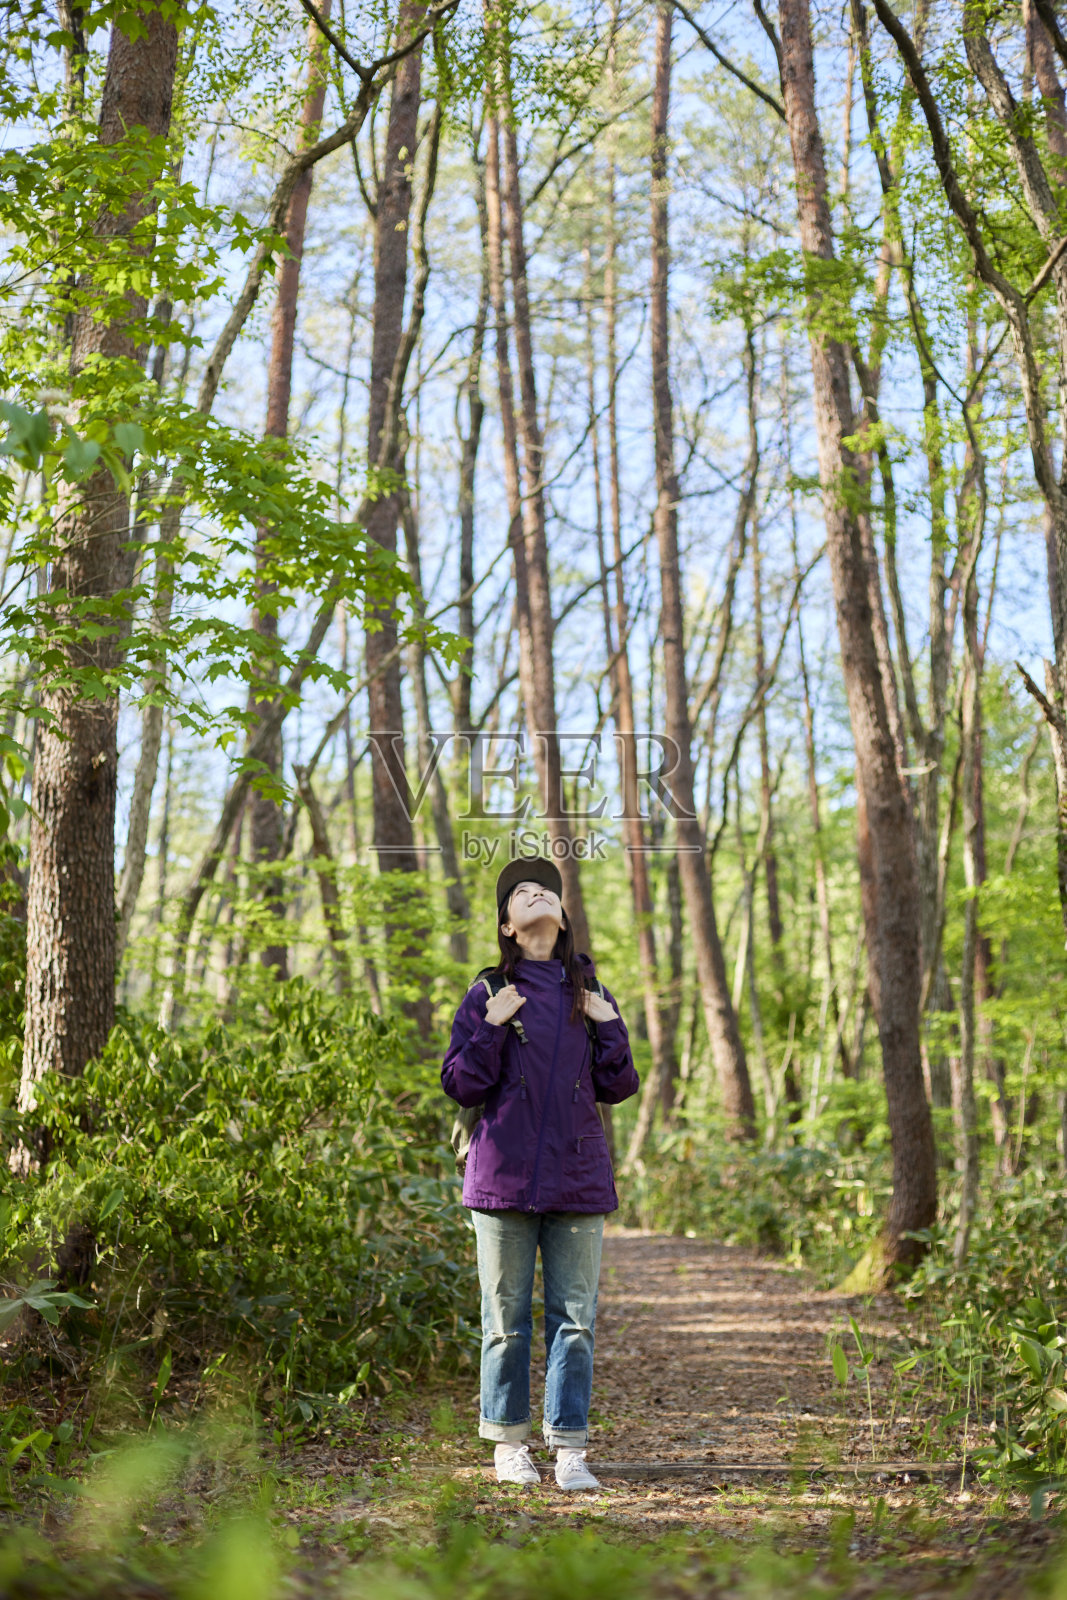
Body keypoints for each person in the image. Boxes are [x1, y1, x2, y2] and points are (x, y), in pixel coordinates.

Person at [441, 855, 640, 1491]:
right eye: (522, 893)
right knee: (504, 1322)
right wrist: (493, 1028)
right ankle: (507, 1445)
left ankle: (569, 1448)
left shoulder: (592, 995)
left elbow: (619, 1085)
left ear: (562, 915)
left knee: (575, 1321)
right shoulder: (486, 994)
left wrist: (611, 1030)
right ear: (506, 925)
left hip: (578, 1180)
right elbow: (460, 1082)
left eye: (545, 891)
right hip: (501, 1178)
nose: (536, 896)